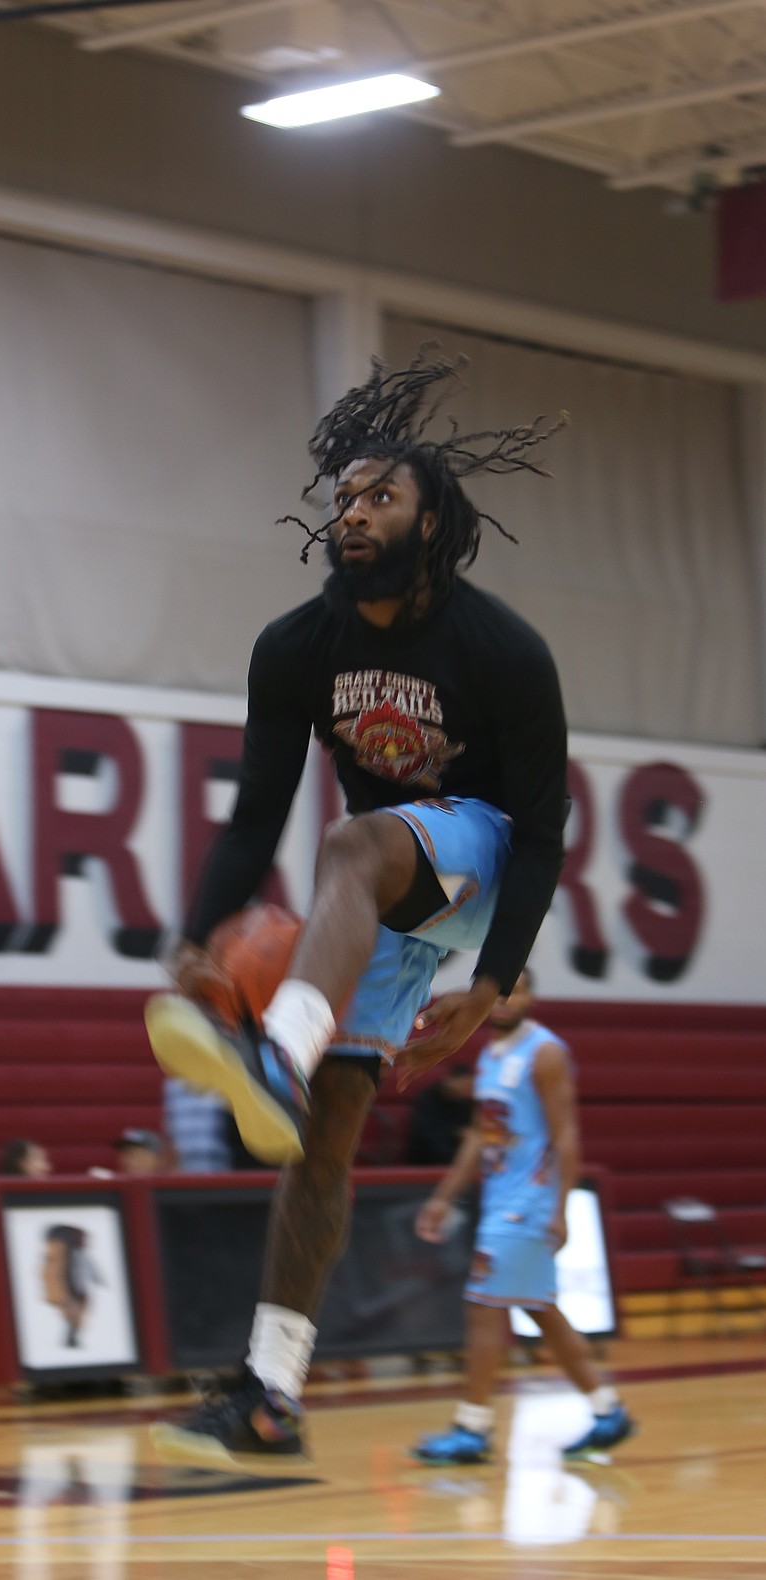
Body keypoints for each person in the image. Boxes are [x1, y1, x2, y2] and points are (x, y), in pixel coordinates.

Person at [144, 351, 568, 1468]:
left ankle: (276, 1050)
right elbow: (249, 819)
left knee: (355, 838)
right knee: (322, 1141)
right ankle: (270, 1392)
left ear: (433, 520)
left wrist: (490, 985)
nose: (356, 510)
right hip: (382, 895)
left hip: (478, 855)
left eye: (382, 494)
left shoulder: (503, 649)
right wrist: (194, 936)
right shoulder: (295, 648)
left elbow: (547, 824)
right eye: (343, 496)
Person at [411, 969, 634, 1462]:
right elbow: (479, 1137)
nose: (508, 1000)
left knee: (484, 1307)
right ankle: (606, 1409)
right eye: (501, 991)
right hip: (500, 1201)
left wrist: (561, 1208)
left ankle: (472, 1428)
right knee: (541, 1311)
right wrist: (444, 1196)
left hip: (527, 1205)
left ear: (534, 997)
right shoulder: (489, 1055)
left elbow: (567, 1135)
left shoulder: (546, 1053)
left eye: (520, 990)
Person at [405, 1061, 476, 1165]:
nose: (466, 1090)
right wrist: (456, 1133)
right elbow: (425, 1131)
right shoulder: (428, 1098)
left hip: (455, 1151)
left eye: (469, 1086)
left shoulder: (465, 1103)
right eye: (464, 1085)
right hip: (427, 1153)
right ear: (450, 1080)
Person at [162, 1077, 234, 1173]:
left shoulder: (225, 1078)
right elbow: (170, 1121)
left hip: (220, 1161)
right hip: (185, 1164)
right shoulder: (174, 1084)